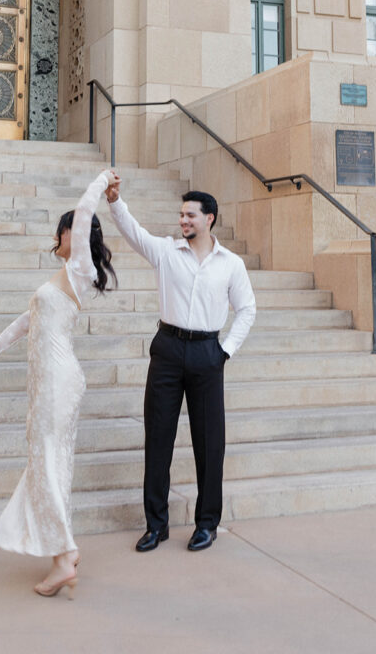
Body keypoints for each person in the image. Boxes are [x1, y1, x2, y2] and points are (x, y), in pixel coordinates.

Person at [0, 169, 118, 597]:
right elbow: (25, 322)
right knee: (50, 462)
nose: (62, 234)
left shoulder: (81, 269)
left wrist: (102, 180)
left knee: (49, 461)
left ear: (78, 234)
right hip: (46, 381)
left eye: (67, 228)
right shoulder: (60, 280)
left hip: (58, 377)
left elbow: (88, 209)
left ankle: (62, 556)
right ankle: (63, 550)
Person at [105, 176, 256, 553]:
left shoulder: (231, 265)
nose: (183, 221)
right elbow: (133, 232)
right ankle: (156, 526)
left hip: (207, 353)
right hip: (169, 350)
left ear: (210, 219)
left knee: (210, 445)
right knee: (158, 439)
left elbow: (247, 309)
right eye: (181, 215)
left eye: (190, 215)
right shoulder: (166, 252)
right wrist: (115, 201)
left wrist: (225, 351)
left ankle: (207, 524)